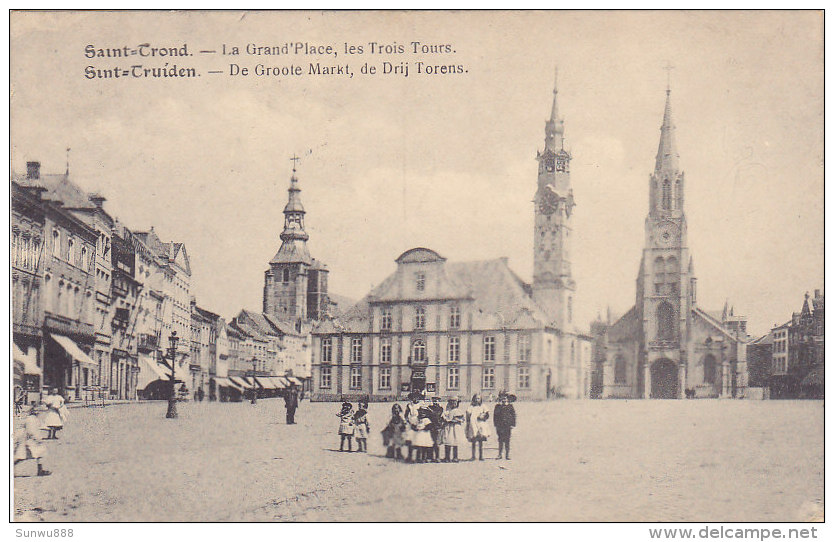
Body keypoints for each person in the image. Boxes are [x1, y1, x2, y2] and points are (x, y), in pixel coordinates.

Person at [14, 404, 51, 476]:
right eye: (37, 411)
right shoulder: (31, 419)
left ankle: (40, 470)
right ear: (33, 412)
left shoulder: (34, 418)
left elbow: (40, 425)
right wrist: (37, 438)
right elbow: (31, 431)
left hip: (31, 440)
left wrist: (46, 428)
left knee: (38, 454)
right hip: (30, 441)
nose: (38, 413)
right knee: (22, 456)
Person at [465, 393, 491, 461]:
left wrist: (483, 416)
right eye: (476, 398)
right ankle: (473, 456)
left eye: (478, 398)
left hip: (481, 425)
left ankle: (481, 456)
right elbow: (468, 415)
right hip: (473, 425)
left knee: (480, 441)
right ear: (474, 399)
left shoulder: (483, 406)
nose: (477, 400)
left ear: (481, 399)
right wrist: (468, 424)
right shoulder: (471, 407)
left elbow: (487, 415)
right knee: (473, 440)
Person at [493, 391, 517, 460]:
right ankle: (499, 454)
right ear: (500, 399)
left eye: (505, 398)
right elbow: (495, 416)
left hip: (507, 426)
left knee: (507, 440)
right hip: (500, 426)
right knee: (500, 440)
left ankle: (507, 454)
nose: (504, 400)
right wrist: (496, 425)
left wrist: (513, 424)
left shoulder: (510, 406)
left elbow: (513, 416)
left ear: (507, 399)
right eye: (502, 398)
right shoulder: (498, 406)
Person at [441, 396, 465, 462]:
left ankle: (455, 457)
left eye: (455, 402)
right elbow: (444, 417)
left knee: (455, 441)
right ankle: (447, 457)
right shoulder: (447, 411)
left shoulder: (458, 411)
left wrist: (457, 420)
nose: (453, 404)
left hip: (455, 428)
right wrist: (445, 419)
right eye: (451, 402)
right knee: (448, 441)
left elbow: (462, 419)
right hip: (448, 427)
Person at [403, 391, 423, 463]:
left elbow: (423, 414)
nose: (415, 399)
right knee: (410, 440)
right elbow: (406, 415)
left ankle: (419, 457)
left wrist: (420, 422)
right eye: (414, 397)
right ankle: (410, 456)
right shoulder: (409, 405)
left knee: (419, 440)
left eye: (417, 397)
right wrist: (408, 422)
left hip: (419, 421)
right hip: (411, 421)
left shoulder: (421, 405)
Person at [428, 396, 445, 462]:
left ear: (439, 401)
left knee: (437, 443)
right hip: (431, 426)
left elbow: (441, 417)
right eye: (434, 401)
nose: (435, 402)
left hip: (438, 427)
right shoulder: (429, 408)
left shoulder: (440, 409)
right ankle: (430, 457)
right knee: (431, 442)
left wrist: (441, 424)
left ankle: (437, 457)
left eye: (437, 401)